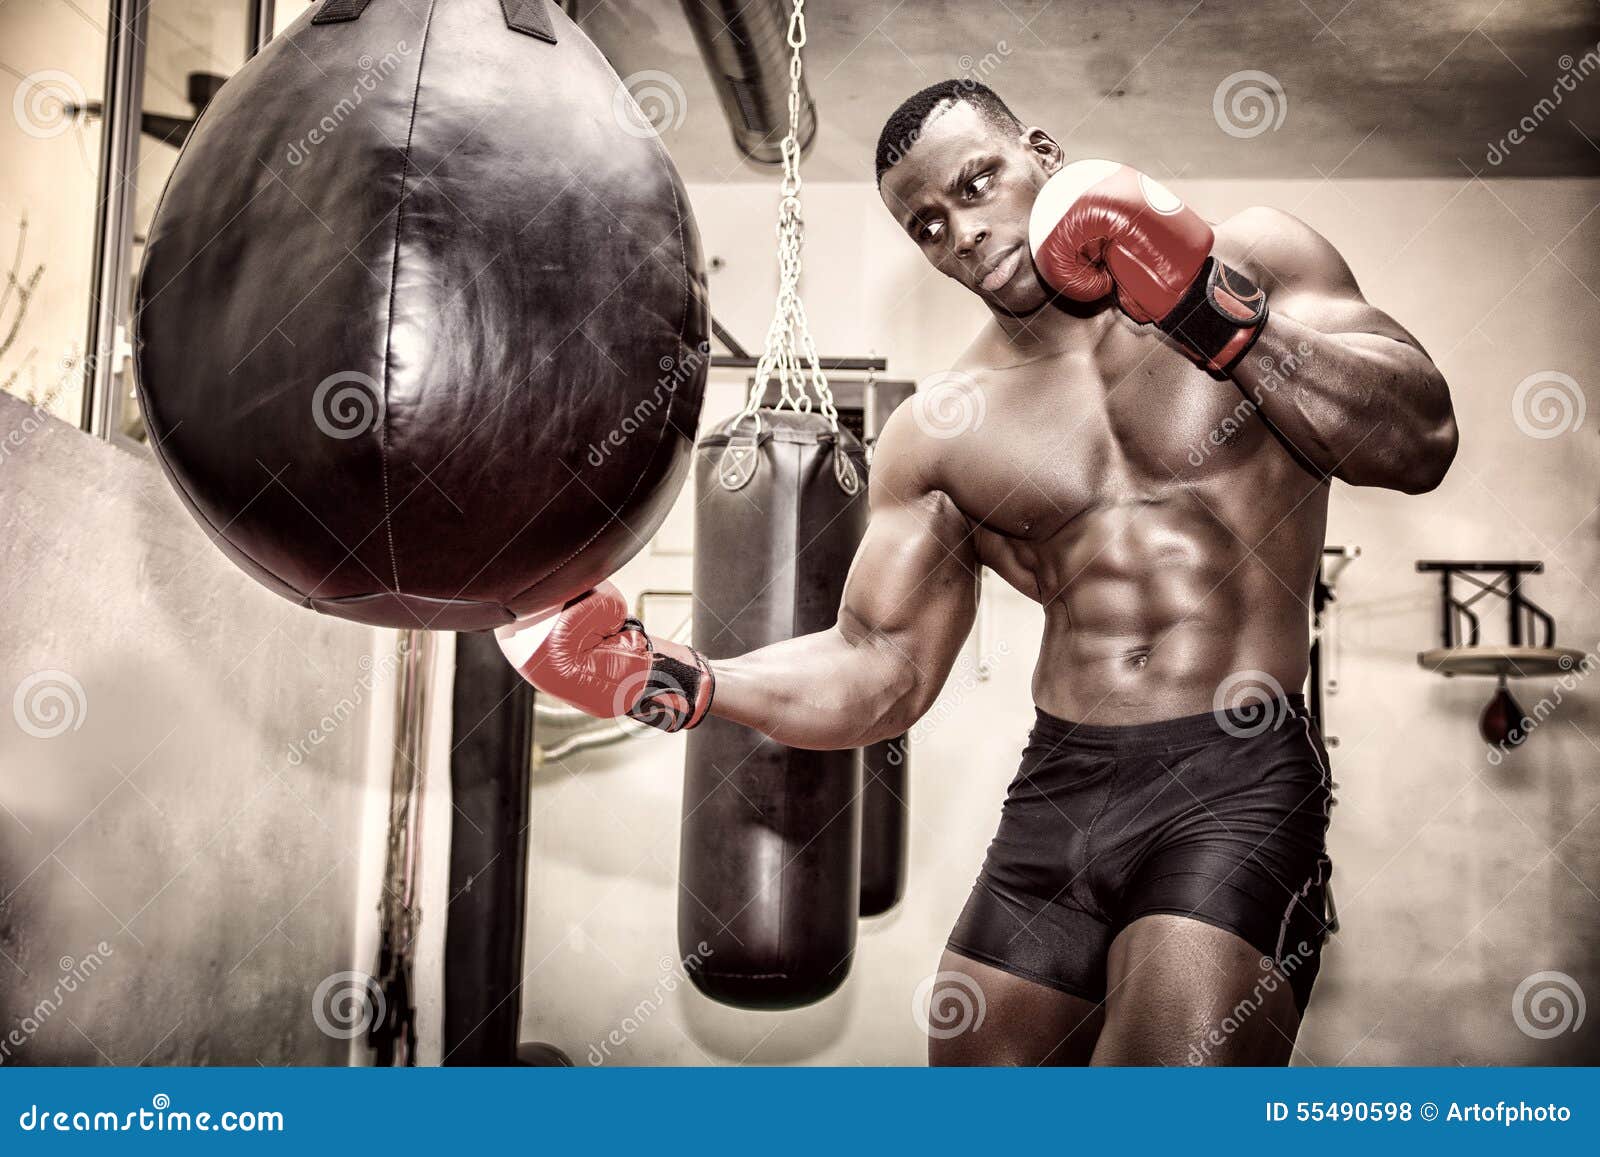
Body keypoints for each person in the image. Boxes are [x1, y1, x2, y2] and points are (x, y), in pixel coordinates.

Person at [500, 80, 1457, 1065]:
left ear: (1041, 149)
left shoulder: (1250, 251)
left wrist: (1206, 305)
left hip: (1233, 773)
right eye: (926, 224)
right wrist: (665, 677)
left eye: (974, 182)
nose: (958, 230)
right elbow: (879, 665)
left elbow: (1418, 437)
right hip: (1061, 786)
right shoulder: (940, 426)